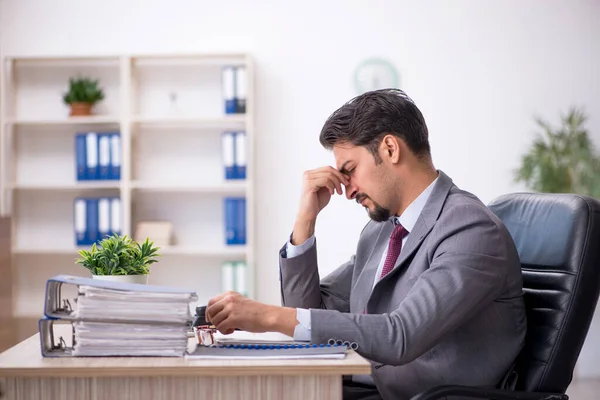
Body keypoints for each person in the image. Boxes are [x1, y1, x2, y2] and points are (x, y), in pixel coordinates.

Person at [206, 88, 527, 400]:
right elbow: (307, 313)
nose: (347, 191)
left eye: (350, 171)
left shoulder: (471, 230)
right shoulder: (382, 232)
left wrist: (265, 317)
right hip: (366, 387)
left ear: (390, 149)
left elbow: (400, 335)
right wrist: (305, 220)